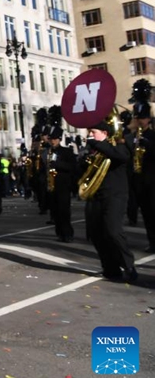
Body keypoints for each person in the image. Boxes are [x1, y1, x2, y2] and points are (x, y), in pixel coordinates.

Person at [83, 120, 137, 282]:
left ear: (104, 133)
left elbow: (121, 157)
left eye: (93, 132)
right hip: (95, 195)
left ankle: (128, 266)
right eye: (89, 133)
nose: (90, 136)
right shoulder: (92, 150)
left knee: (113, 230)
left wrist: (98, 145)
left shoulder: (117, 146)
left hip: (115, 194)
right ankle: (110, 268)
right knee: (95, 233)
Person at [129, 79, 155, 252]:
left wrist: (145, 144)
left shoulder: (152, 135)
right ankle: (152, 241)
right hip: (140, 181)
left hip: (153, 180)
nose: (139, 120)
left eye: (142, 118)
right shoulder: (134, 136)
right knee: (146, 214)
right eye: (138, 117)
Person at [46, 126, 76, 243]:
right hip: (52, 185)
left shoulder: (67, 151)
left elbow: (72, 167)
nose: (52, 141)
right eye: (51, 139)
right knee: (55, 211)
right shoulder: (49, 152)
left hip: (63, 185)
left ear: (59, 139)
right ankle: (59, 233)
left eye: (54, 139)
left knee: (64, 211)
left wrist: (57, 164)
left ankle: (68, 233)